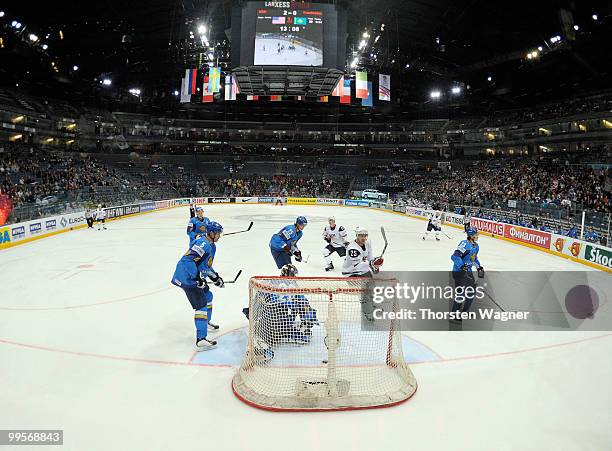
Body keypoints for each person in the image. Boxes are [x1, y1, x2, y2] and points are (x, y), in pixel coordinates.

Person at [242, 264, 318, 364]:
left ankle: (261, 344)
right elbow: (304, 306)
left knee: (253, 330)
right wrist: (309, 318)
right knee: (306, 336)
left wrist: (250, 313)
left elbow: (256, 303)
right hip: (282, 326)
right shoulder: (294, 287)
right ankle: (265, 341)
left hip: (268, 327)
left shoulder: (268, 282)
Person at [171, 221, 225, 351]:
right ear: (211, 233)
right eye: (218, 233)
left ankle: (205, 322)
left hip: (193, 276)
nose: (219, 236)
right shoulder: (203, 244)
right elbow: (187, 260)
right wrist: (196, 278)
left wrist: (215, 277)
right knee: (201, 305)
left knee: (208, 296)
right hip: (186, 277)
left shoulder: (212, 246)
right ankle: (201, 339)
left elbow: (205, 266)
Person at [450, 227, 484, 322]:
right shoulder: (464, 244)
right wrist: (461, 266)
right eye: (476, 234)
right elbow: (454, 256)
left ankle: (464, 312)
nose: (478, 236)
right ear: (471, 236)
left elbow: (474, 259)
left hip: (467, 272)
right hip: (459, 272)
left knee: (471, 293)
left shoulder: (476, 246)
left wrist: (479, 267)